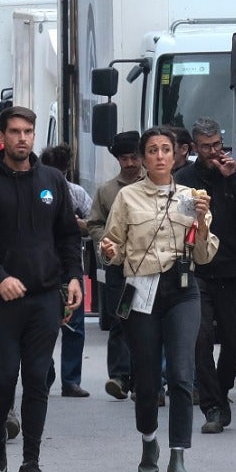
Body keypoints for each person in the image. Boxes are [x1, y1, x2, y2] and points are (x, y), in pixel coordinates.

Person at [0, 106, 84, 472]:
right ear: (2, 138)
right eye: (14, 131)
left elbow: (67, 234)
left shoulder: (51, 180)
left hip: (44, 296)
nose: (22, 138)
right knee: (2, 381)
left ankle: (31, 463)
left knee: (36, 378)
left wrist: (74, 277)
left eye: (28, 131)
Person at [99, 127, 218, 472]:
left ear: (178, 154)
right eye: (153, 150)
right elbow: (113, 243)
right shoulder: (127, 198)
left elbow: (205, 254)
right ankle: (149, 442)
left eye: (166, 149)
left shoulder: (192, 197)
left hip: (182, 289)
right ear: (144, 157)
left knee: (182, 375)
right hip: (142, 288)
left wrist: (200, 218)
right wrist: (109, 252)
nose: (161, 156)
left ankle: (178, 456)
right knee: (147, 378)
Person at [177, 117, 236, 433]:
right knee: (201, 339)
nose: (214, 152)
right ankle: (212, 407)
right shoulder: (184, 178)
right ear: (195, 148)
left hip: (229, 268)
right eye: (207, 147)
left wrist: (234, 179)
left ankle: (221, 392)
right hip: (196, 269)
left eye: (218, 146)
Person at [88, 131, 143, 399]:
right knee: (121, 320)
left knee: (148, 323)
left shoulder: (156, 186)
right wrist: (107, 241)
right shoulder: (107, 191)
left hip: (149, 270)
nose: (130, 163)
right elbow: (94, 224)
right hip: (120, 271)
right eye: (125, 158)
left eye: (134, 157)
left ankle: (146, 379)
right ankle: (120, 378)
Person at [41, 145, 93, 398]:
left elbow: (93, 225)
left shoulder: (77, 194)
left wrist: (77, 224)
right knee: (43, 326)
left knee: (75, 326)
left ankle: (71, 380)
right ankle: (46, 374)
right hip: (43, 269)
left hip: (70, 267)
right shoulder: (37, 192)